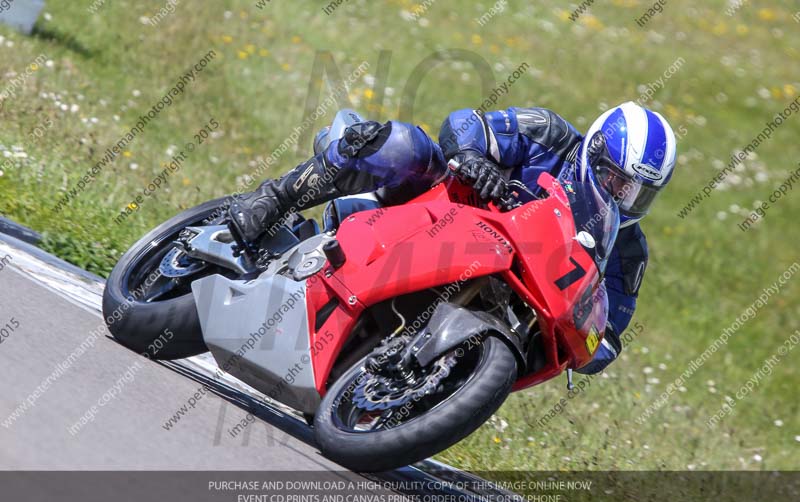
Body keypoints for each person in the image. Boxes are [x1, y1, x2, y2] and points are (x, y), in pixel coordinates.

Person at [227, 101, 677, 374]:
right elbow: (467, 124)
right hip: (437, 215)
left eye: (641, 192)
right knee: (404, 146)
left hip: (497, 297)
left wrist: (592, 345)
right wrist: (472, 157)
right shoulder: (549, 135)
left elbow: (610, 330)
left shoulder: (628, 252)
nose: (624, 196)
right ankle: (272, 200)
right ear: (593, 152)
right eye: (618, 181)